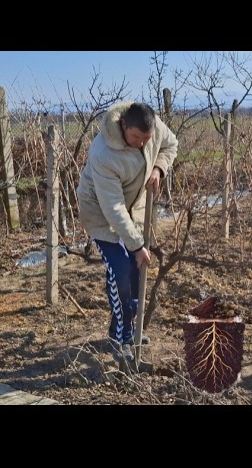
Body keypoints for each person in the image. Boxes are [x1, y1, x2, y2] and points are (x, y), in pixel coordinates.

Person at [77, 101, 178, 363]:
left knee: (134, 270)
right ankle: (120, 340)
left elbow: (170, 144)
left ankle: (125, 329)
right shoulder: (103, 153)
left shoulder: (151, 127)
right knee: (121, 269)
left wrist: (158, 168)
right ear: (124, 127)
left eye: (147, 138)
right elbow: (113, 208)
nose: (143, 144)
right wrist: (135, 244)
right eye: (136, 138)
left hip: (131, 211)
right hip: (100, 214)